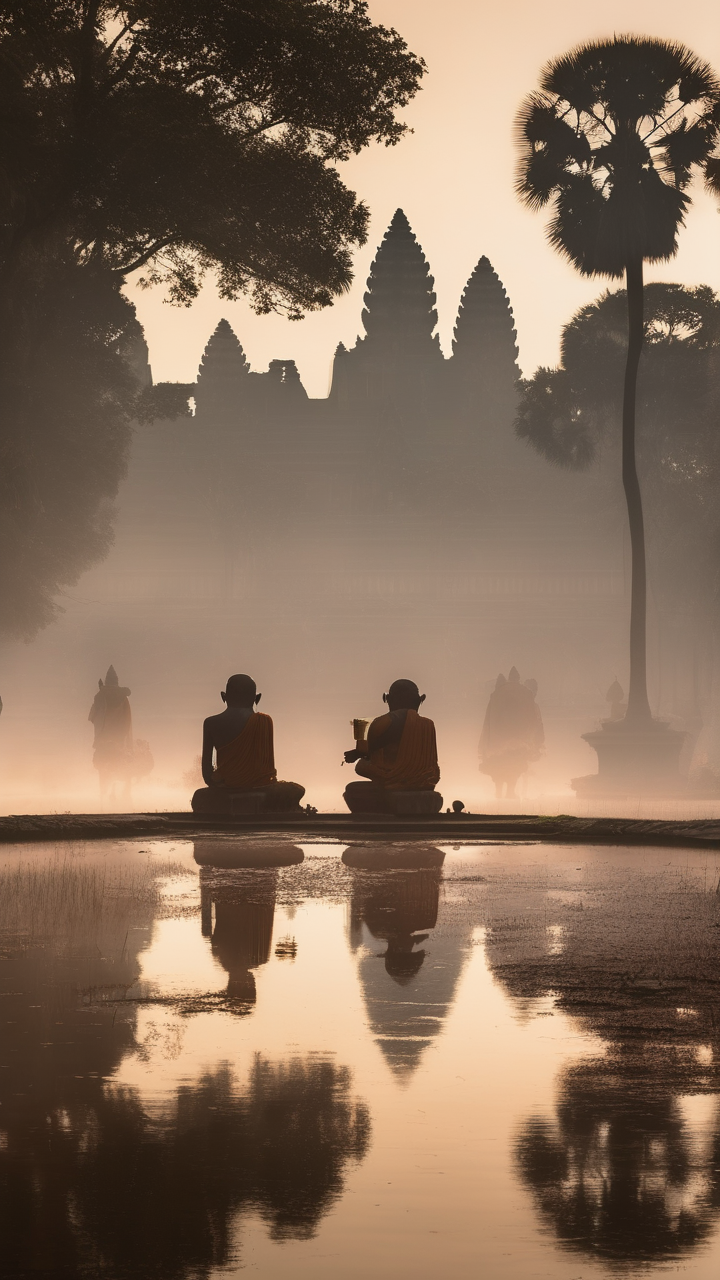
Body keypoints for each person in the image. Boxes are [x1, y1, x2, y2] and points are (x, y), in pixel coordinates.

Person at [191, 674, 305, 813]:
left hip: (225, 790)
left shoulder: (211, 723)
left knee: (200, 796)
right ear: (257, 698)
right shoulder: (265, 721)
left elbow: (207, 774)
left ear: (223, 696)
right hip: (263, 788)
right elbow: (267, 771)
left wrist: (219, 787)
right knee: (295, 790)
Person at [343, 679, 442, 813]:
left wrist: (358, 748)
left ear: (388, 699)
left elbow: (369, 750)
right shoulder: (428, 724)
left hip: (393, 777)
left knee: (360, 767)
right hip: (426, 782)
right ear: (420, 700)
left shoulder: (386, 720)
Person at [479, 666, 544, 799]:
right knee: (515, 764)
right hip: (518, 737)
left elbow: (489, 718)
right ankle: (510, 791)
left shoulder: (497, 693)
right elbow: (532, 718)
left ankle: (498, 791)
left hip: (498, 738)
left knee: (498, 764)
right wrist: (534, 739)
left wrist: (486, 740)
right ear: (518, 678)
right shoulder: (525, 693)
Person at [88, 665, 133, 798]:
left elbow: (92, 717)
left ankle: (103, 792)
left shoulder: (100, 696)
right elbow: (127, 719)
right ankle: (115, 790)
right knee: (118, 765)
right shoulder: (124, 698)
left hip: (103, 739)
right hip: (118, 739)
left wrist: (101, 693)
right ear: (117, 682)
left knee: (102, 766)